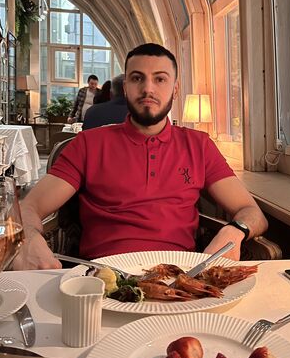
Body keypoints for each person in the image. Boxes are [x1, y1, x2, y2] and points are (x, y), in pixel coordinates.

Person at [14, 43, 267, 270]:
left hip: (180, 281)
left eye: (160, 79)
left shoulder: (199, 146)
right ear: (125, 88)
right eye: (137, 78)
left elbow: (252, 212)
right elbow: (28, 207)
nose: (148, 89)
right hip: (102, 280)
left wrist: (235, 231)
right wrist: (30, 238)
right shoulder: (88, 144)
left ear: (175, 89)